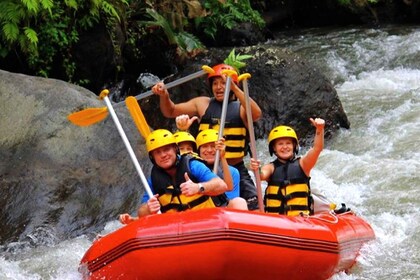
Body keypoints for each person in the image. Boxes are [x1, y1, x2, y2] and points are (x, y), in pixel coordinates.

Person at [152, 64, 262, 210]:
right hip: (204, 167)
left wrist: (234, 87)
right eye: (215, 83)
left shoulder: (242, 108)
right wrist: (164, 96)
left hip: (235, 167)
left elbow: (256, 114)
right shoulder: (202, 104)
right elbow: (171, 111)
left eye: (223, 82)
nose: (218, 87)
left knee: (255, 205)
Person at [119, 129, 228, 224]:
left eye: (166, 149)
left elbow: (222, 185)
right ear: (152, 157)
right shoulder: (153, 179)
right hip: (175, 229)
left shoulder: (192, 165)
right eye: (158, 152)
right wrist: (148, 208)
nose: (163, 155)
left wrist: (198, 187)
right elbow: (141, 212)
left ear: (175, 150)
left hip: (206, 221)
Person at [249, 118, 325, 216]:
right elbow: (261, 176)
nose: (285, 147)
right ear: (274, 148)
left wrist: (320, 130)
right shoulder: (270, 167)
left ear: (294, 146)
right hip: (276, 221)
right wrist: (256, 169)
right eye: (280, 144)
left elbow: (317, 149)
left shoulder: (303, 164)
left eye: (288, 143)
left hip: (300, 220)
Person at [196, 129, 248, 210]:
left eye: (213, 146)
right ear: (198, 150)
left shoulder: (232, 172)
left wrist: (222, 157)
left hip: (222, 210)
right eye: (205, 146)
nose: (209, 150)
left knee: (239, 202)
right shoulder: (194, 168)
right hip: (200, 209)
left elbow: (229, 190)